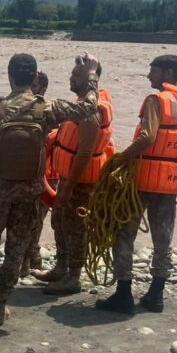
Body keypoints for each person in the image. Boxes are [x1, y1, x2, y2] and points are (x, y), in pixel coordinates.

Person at [0, 52, 101, 328]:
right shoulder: (47, 109)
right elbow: (88, 108)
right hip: (30, 193)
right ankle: (0, 306)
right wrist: (91, 77)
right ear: (34, 77)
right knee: (16, 251)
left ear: (9, 76)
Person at [95, 55, 177, 314]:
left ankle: (123, 294)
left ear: (168, 72)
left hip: (142, 181)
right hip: (170, 184)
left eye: (152, 70)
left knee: (123, 233)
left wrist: (121, 159)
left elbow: (148, 137)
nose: (148, 76)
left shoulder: (157, 100)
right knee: (163, 240)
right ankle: (156, 295)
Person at [37, 64, 115, 294]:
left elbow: (84, 153)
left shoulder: (93, 110)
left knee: (75, 228)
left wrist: (69, 187)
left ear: (91, 78)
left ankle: (73, 277)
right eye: (71, 73)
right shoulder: (78, 106)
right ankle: (61, 268)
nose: (71, 77)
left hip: (81, 183)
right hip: (67, 178)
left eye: (76, 75)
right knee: (59, 221)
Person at [21, 71, 52, 275]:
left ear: (42, 89)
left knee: (34, 220)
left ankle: (28, 261)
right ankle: (32, 258)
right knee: (25, 219)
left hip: (45, 175)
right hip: (25, 173)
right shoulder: (19, 108)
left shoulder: (48, 112)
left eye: (33, 86)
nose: (29, 89)